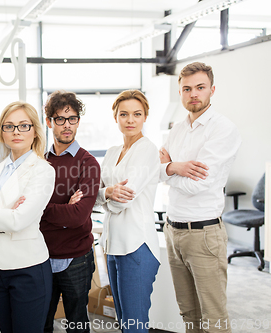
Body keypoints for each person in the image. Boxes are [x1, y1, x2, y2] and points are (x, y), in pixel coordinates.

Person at [159, 62, 241, 333]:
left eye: (200, 88)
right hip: (173, 230)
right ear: (180, 93)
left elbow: (198, 185)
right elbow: (157, 170)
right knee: (188, 313)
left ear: (212, 90)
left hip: (203, 234)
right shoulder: (177, 129)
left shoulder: (222, 129)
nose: (193, 94)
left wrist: (169, 168)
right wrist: (175, 167)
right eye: (187, 89)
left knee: (213, 318)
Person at [0, 101, 55, 333]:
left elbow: (19, 221)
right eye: (9, 126)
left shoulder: (43, 170)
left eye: (23, 125)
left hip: (28, 268)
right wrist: (6, 213)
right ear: (2, 132)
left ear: (35, 131)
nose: (16, 131)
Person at [96, 90, 160, 333]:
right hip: (112, 245)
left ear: (145, 117)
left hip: (137, 246)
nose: (130, 120)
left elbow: (124, 199)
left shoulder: (147, 149)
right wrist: (107, 193)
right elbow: (96, 195)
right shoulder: (112, 152)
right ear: (116, 118)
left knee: (134, 324)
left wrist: (106, 196)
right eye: (124, 114)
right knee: (123, 321)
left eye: (137, 114)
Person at [40, 90, 100, 333]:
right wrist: (62, 208)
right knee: (41, 322)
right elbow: (24, 210)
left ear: (78, 121)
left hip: (77, 257)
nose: (67, 125)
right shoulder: (39, 161)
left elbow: (78, 217)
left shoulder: (89, 164)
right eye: (60, 119)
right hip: (41, 255)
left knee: (77, 324)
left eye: (72, 118)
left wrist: (42, 207)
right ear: (49, 122)